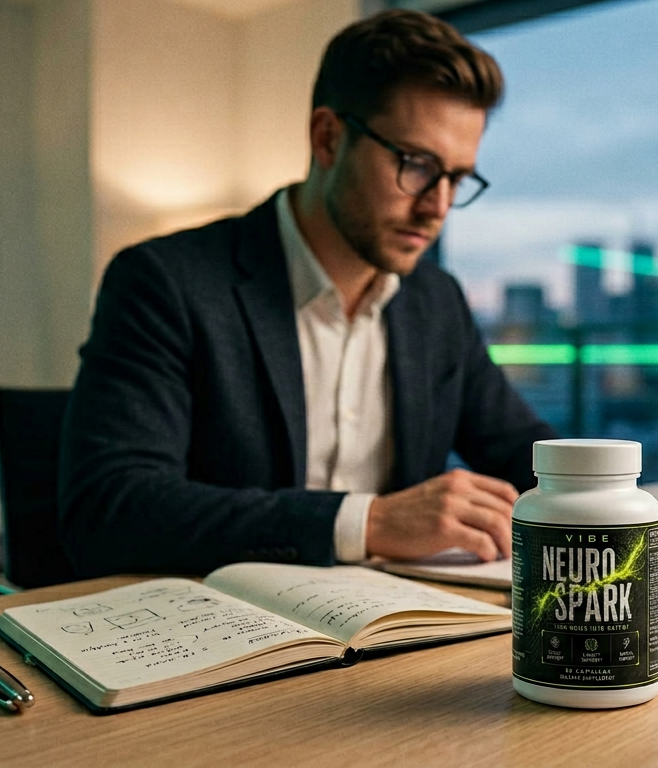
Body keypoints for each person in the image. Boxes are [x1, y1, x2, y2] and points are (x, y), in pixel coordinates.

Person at [58, 9, 556, 577]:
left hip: (391, 628)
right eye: (416, 166)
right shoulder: (167, 281)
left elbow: (522, 448)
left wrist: (611, 498)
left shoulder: (435, 300)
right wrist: (366, 523)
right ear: (328, 137)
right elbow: (108, 510)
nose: (438, 206)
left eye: (457, 178)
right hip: (216, 631)